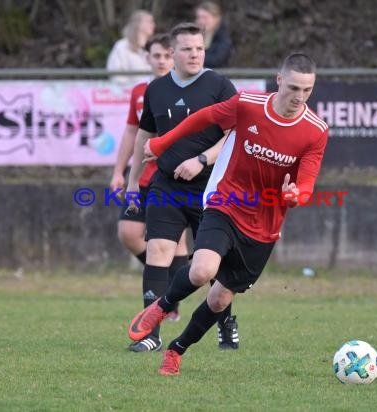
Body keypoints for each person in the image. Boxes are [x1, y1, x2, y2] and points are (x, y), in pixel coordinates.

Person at [128, 53, 329, 375]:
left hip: (264, 225)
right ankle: (161, 307)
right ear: (279, 80)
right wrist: (163, 142)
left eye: (307, 90)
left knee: (220, 299)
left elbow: (306, 182)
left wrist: (296, 196)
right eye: (293, 87)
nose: (299, 97)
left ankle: (177, 350)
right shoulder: (248, 103)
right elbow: (203, 117)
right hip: (226, 202)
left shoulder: (315, 130)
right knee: (201, 271)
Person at [125, 22, 240, 353]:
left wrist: (202, 159)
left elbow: (234, 134)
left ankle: (226, 323)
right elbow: (145, 136)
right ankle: (151, 333)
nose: (195, 54)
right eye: (187, 49)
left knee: (210, 264)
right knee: (158, 250)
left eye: (200, 48)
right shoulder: (156, 89)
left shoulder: (219, 85)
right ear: (172, 53)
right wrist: (134, 182)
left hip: (211, 186)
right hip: (166, 186)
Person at [110, 33, 189, 352]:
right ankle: (166, 286)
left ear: (175, 58)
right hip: (141, 178)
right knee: (129, 233)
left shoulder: (184, 90)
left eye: (166, 56)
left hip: (173, 179)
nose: (161, 61)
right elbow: (133, 132)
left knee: (172, 242)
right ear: (147, 58)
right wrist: (120, 171)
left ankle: (165, 305)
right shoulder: (141, 92)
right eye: (155, 56)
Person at [106, 10, 155, 85]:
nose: (153, 25)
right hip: (128, 92)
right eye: (149, 21)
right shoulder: (122, 46)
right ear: (138, 24)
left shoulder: (149, 49)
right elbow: (115, 73)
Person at [195, 1, 232, 68]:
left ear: (216, 19)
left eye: (205, 18)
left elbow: (217, 60)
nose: (201, 21)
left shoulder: (223, 39)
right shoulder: (192, 37)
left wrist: (191, 59)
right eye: (199, 17)